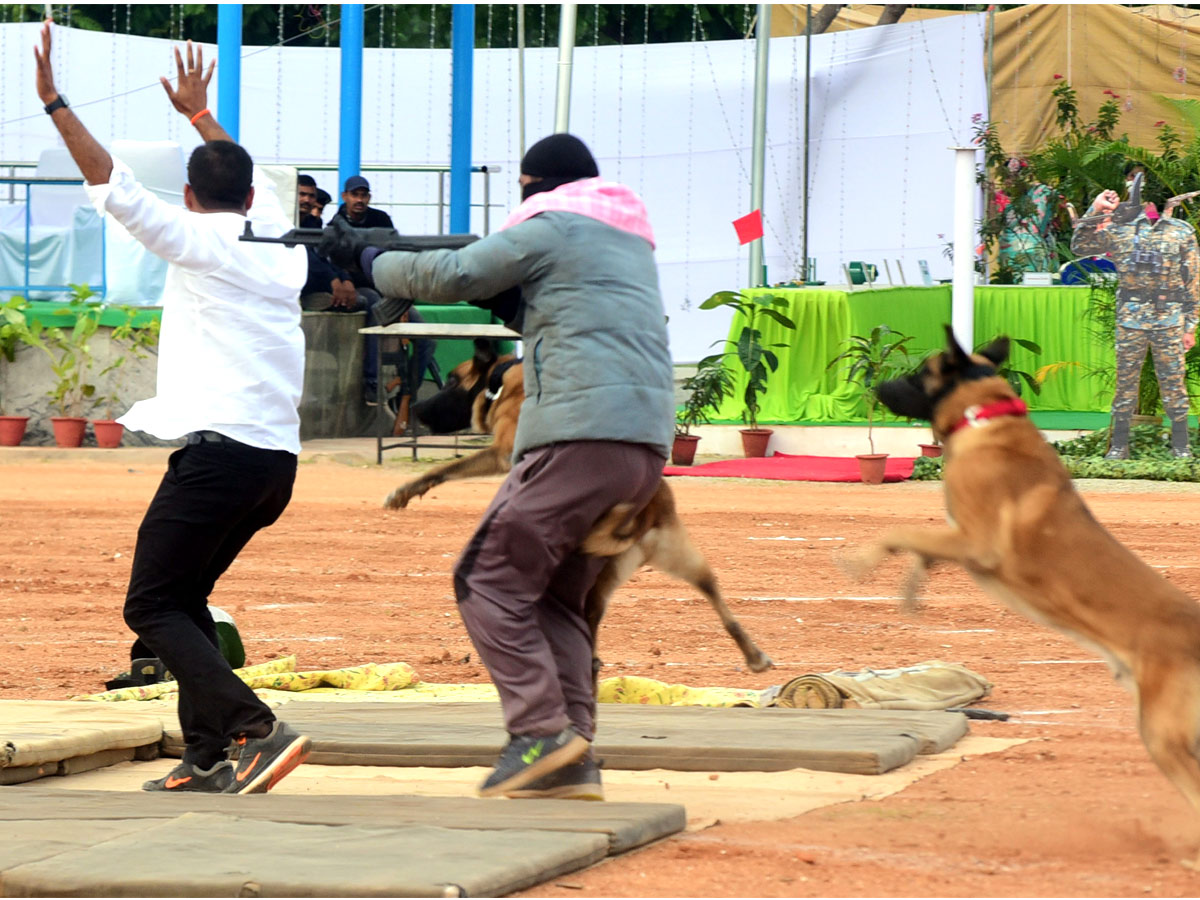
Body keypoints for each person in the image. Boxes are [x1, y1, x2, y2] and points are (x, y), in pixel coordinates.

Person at [342, 133, 674, 800]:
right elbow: (559, 311)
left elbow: (451, 276)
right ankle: (572, 757)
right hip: (641, 447)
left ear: (536, 183)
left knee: (486, 580)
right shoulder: (626, 239)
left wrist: (372, 260)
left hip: (579, 437)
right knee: (555, 597)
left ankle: (540, 733)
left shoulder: (554, 225)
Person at [34, 23, 311, 794]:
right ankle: (205, 757)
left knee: (151, 606)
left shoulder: (193, 238)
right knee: (184, 601)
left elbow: (111, 183)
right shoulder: (284, 247)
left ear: (189, 196)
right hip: (274, 467)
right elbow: (236, 182)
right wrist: (200, 118)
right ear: (252, 197)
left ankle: (257, 729)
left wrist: (54, 101)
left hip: (218, 459)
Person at [1072, 172, 1198, 459]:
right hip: (1131, 317)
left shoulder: (1181, 231)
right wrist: (1095, 208)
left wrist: (1190, 326)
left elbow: (1193, 282)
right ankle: (1119, 445)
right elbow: (1080, 246)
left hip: (1170, 317)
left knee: (1173, 380)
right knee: (1126, 381)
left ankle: (1181, 446)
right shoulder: (1119, 229)